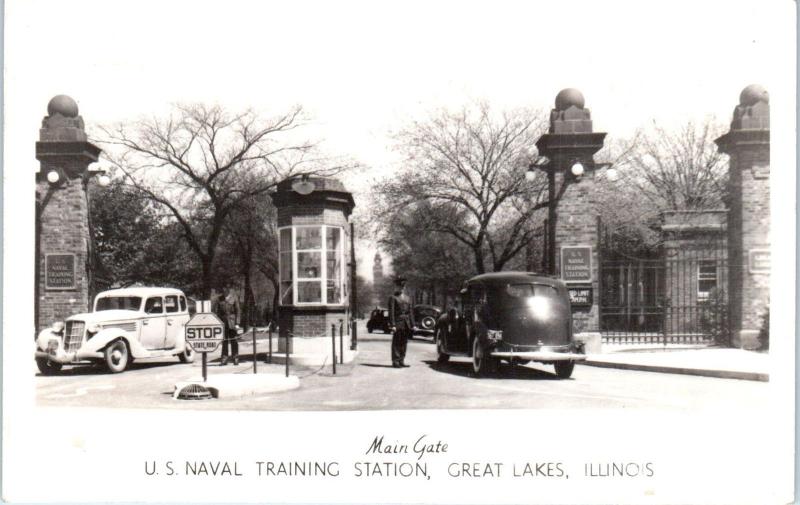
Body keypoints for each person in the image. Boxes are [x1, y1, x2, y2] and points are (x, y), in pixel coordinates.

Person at [388, 277, 414, 368]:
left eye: (403, 287)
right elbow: (391, 312)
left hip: (406, 323)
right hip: (398, 322)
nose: (402, 288)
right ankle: (395, 361)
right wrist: (393, 325)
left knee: (404, 342)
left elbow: (410, 312)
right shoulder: (393, 298)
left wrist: (413, 324)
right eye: (400, 286)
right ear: (396, 287)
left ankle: (401, 360)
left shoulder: (408, 298)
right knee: (396, 342)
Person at [214, 288, 241, 366]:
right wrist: (217, 322)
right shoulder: (219, 299)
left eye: (226, 289)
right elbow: (217, 312)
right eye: (223, 289)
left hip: (232, 322)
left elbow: (238, 311)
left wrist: (237, 323)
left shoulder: (234, 298)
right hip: (223, 322)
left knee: (234, 340)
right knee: (224, 341)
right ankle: (224, 359)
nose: (224, 291)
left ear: (229, 290)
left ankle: (235, 358)